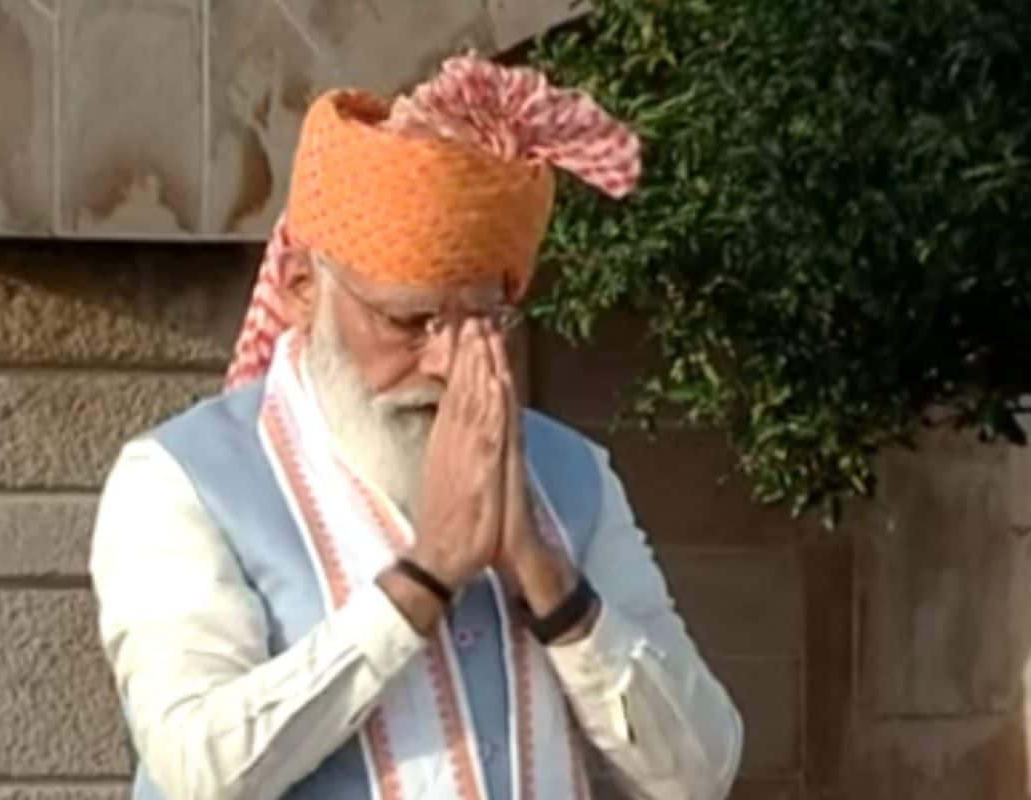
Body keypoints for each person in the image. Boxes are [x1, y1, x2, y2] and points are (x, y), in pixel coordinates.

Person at [90, 53, 742, 800]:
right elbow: (197, 771)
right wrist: (425, 577)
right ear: (302, 289)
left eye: (481, 320)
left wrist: (548, 579)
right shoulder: (181, 483)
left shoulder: (572, 476)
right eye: (410, 321)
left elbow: (702, 772)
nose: (446, 361)